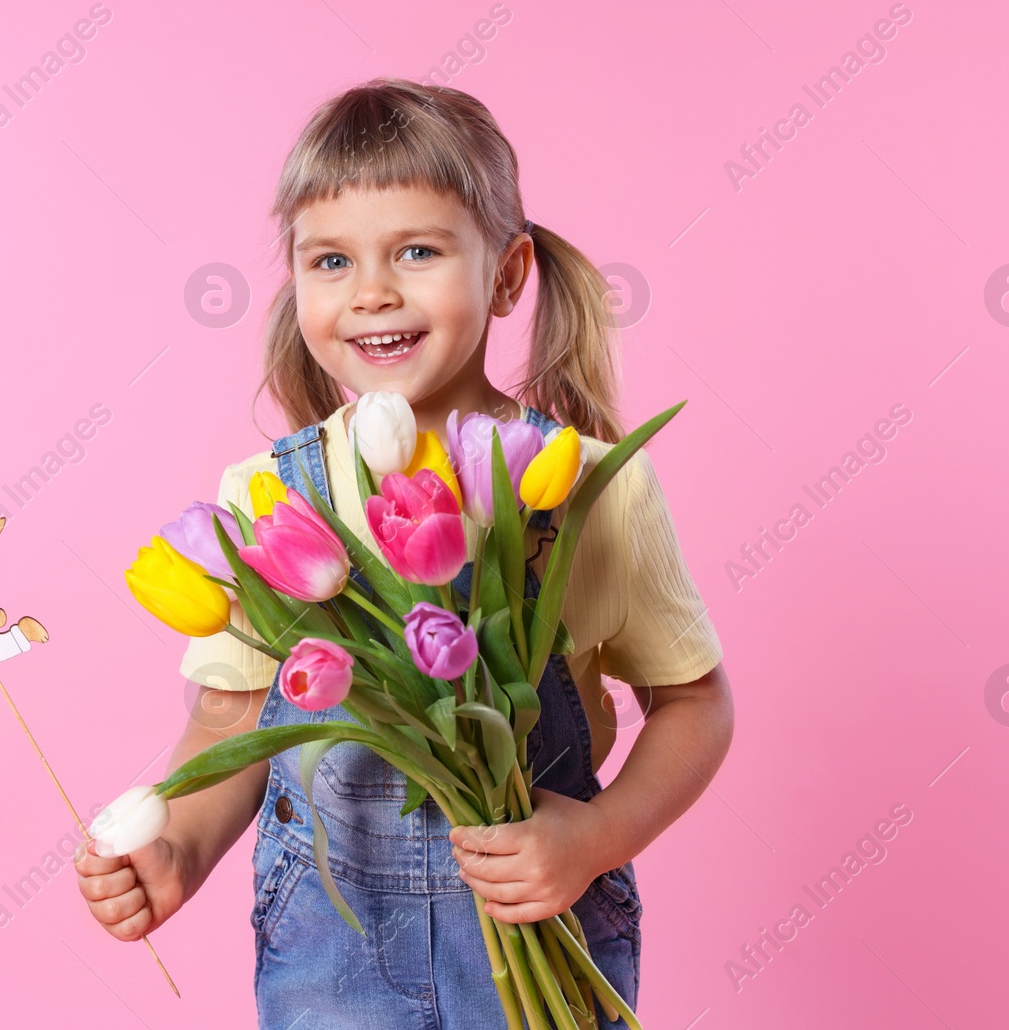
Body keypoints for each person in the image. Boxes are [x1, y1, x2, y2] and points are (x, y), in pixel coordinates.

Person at [75, 77, 733, 1027]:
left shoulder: (586, 485)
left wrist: (594, 837)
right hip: (335, 954)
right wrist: (176, 845)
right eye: (330, 260)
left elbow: (693, 702)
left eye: (417, 251)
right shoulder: (269, 499)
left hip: (542, 925)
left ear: (507, 274)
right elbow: (231, 722)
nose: (372, 292)